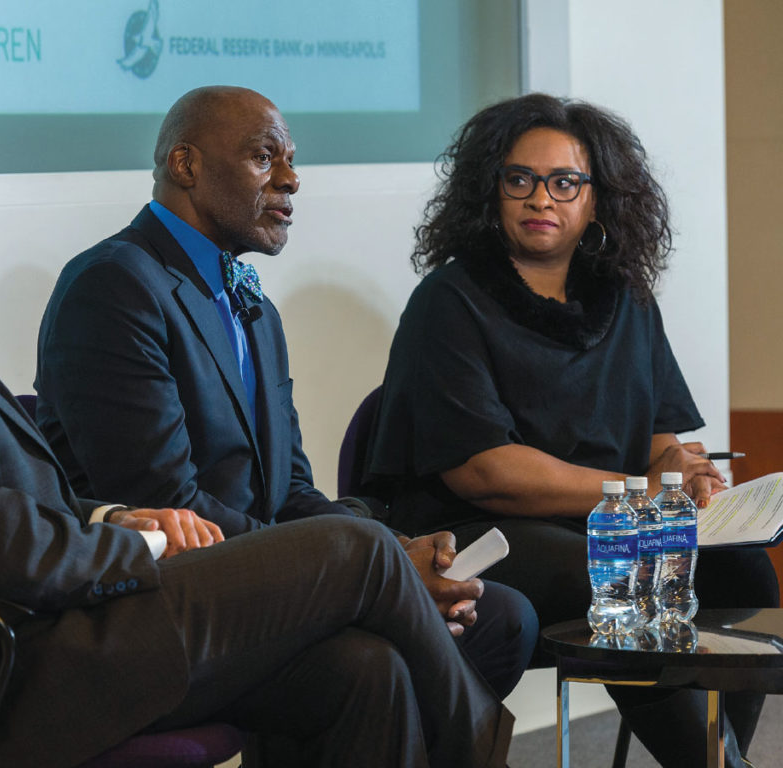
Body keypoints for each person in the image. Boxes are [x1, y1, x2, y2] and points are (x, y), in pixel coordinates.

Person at [0, 101, 517, 768]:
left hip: (76, 627)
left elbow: (2, 512)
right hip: (31, 666)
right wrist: (149, 542)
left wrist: (113, 517)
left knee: (365, 669)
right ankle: (485, 753)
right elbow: (3, 551)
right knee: (356, 552)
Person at [34, 85, 537, 700]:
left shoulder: (253, 306)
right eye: (265, 157)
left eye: (291, 159)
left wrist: (395, 551)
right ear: (185, 165)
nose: (292, 180)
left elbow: (290, 490)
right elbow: (168, 502)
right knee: (370, 665)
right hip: (175, 596)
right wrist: (365, 570)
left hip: (272, 576)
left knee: (501, 617)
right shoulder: (115, 284)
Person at [365, 92, 779, 768]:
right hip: (481, 531)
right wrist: (639, 491)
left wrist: (684, 470)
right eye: (519, 180)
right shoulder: (449, 301)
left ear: (597, 199)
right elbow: (487, 473)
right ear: (491, 192)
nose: (541, 198)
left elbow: (659, 436)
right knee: (616, 574)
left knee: (746, 572)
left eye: (564, 183)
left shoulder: (625, 298)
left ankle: (714, 753)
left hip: (609, 520)